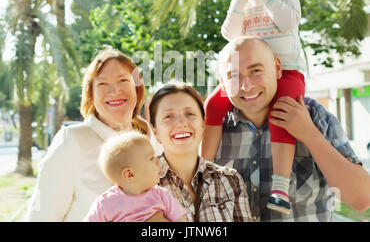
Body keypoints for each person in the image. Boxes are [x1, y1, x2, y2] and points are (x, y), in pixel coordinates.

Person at [202, 0, 306, 214]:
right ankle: (202, 172)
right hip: (249, 76)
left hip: (286, 74)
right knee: (213, 105)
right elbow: (230, 34)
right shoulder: (242, 0)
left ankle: (280, 186)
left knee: (281, 113)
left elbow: (287, 22)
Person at [213, 36, 370, 221]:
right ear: (222, 82)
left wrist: (310, 135)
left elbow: (362, 199)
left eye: (255, 70)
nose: (246, 85)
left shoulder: (314, 116)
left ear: (277, 68)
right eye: (234, 76)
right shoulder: (213, 131)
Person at [26, 46, 150, 221]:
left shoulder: (151, 138)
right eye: (102, 84)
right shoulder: (72, 140)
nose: (114, 91)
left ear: (137, 88)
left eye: (123, 80)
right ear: (91, 94)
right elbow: (42, 215)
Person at [149, 81, 253, 222]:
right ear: (155, 131)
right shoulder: (141, 183)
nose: (181, 123)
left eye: (189, 113)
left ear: (203, 124)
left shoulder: (230, 180)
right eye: (168, 116)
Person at [84, 131, 187, 222]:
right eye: (151, 158)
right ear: (130, 174)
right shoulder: (104, 204)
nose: (158, 161)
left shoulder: (162, 195)